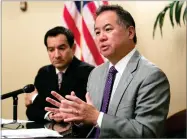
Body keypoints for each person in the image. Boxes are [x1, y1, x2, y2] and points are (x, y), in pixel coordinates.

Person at [45, 5, 170, 138]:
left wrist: (97, 117)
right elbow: (91, 125)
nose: (101, 37)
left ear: (130, 32)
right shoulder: (96, 74)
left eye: (108, 29)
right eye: (97, 32)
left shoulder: (151, 76)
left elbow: (147, 132)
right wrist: (76, 119)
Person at [25, 26, 95, 123]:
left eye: (61, 48)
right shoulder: (44, 72)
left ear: (73, 48)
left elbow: (78, 110)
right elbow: (31, 111)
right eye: (51, 50)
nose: (57, 55)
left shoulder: (89, 72)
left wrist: (35, 99)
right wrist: (49, 115)